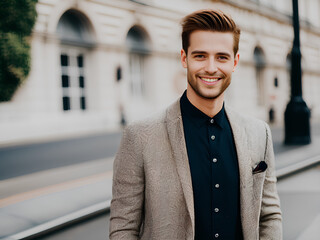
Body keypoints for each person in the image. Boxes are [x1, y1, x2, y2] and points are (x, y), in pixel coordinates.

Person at [109, 9, 282, 240]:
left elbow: (269, 216)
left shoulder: (260, 133)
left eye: (222, 57)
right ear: (184, 58)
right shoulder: (139, 136)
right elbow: (123, 228)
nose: (211, 67)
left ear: (235, 62)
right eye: (200, 56)